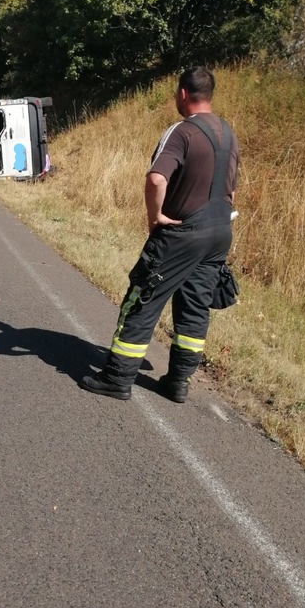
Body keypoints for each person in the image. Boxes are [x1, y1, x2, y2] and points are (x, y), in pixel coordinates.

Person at [81, 66, 239, 403]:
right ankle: (178, 382)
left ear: (183, 94)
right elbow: (231, 189)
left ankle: (118, 377)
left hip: (181, 232)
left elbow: (156, 178)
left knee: (142, 299)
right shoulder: (228, 133)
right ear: (209, 95)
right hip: (220, 231)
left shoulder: (181, 132)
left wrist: (156, 218)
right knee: (195, 307)